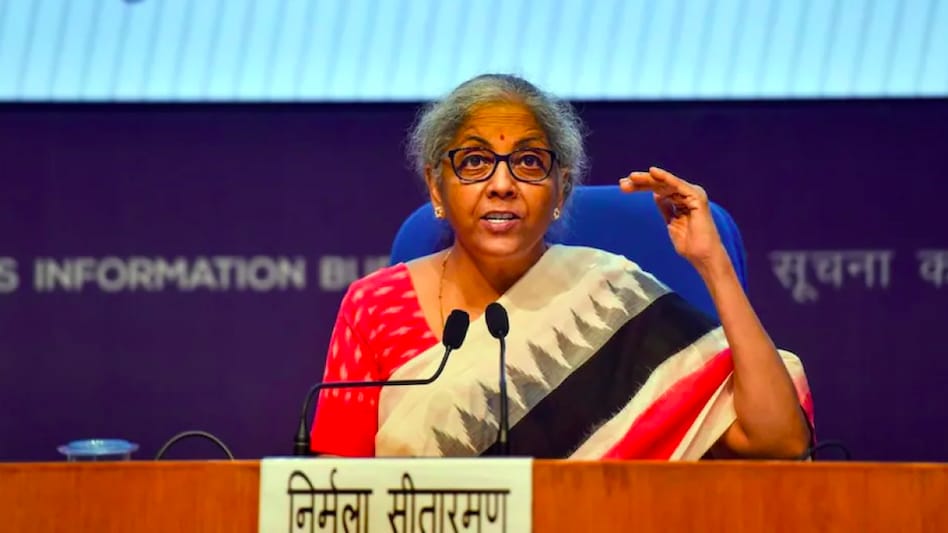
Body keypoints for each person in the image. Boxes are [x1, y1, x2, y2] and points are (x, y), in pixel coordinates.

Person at [310, 74, 814, 459]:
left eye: (529, 162)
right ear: (436, 186)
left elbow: (779, 439)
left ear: (561, 190)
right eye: (474, 161)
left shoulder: (612, 298)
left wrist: (714, 265)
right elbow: (334, 488)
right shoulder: (375, 306)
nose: (502, 185)